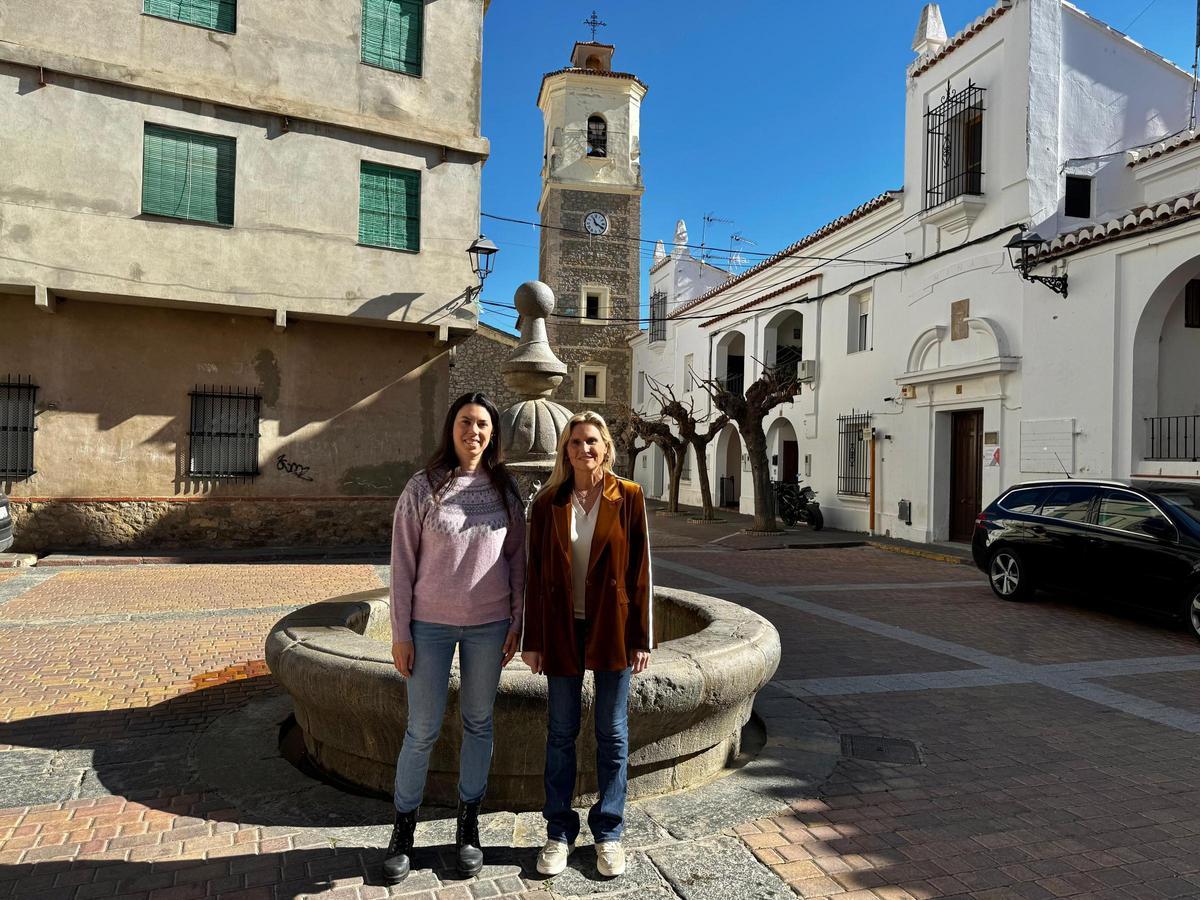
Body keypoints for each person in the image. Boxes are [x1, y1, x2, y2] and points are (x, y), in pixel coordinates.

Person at [382, 392, 525, 885]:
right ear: (452, 428)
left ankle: (469, 826)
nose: (474, 431)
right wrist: (401, 633)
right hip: (430, 626)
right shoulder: (423, 488)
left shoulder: (506, 490)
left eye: (483, 424)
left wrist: (516, 621)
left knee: (479, 723)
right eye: (466, 422)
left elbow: (518, 562)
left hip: (488, 626)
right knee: (421, 729)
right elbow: (402, 564)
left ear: (493, 433)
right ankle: (403, 831)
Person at [521, 410, 652, 879]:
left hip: (613, 628)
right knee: (560, 733)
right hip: (560, 629)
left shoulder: (629, 497)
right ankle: (558, 831)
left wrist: (642, 637)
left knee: (612, 735)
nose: (584, 449)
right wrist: (530, 640)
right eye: (575, 442)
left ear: (606, 448)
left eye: (592, 441)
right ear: (565, 450)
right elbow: (534, 577)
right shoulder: (547, 502)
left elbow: (641, 573)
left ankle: (609, 832)